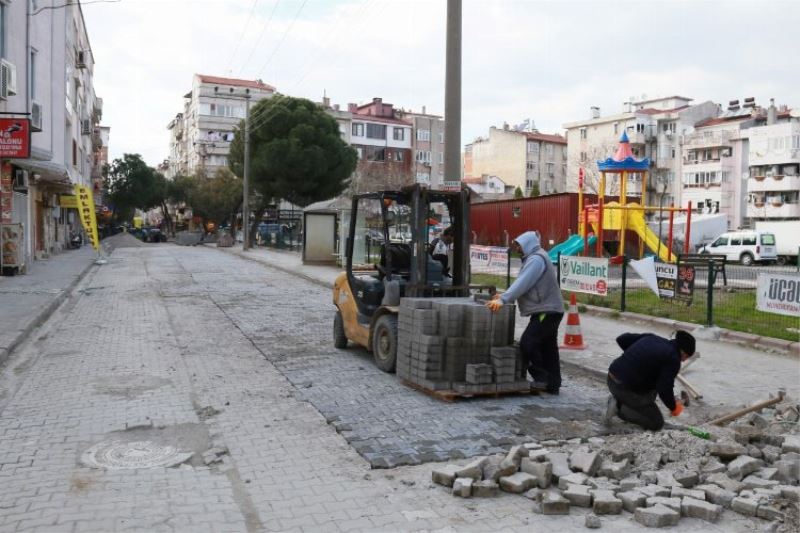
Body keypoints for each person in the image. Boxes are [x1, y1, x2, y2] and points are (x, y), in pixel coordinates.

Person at [486, 231, 564, 394]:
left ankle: (541, 378)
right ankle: (553, 384)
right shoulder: (536, 257)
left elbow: (523, 282)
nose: (517, 249)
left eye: (519, 246)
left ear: (528, 244)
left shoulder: (536, 259)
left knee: (528, 343)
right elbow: (522, 282)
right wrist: (505, 294)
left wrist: (503, 300)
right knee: (548, 347)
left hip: (546, 310)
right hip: (550, 309)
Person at [604, 330, 695, 431]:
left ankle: (631, 404)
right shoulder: (673, 359)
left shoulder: (652, 338)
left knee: (653, 385)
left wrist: (634, 359)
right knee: (656, 423)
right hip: (623, 388)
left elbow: (622, 339)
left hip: (611, 377)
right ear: (683, 352)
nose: (683, 360)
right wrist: (674, 408)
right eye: (686, 357)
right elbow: (664, 389)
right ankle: (619, 407)